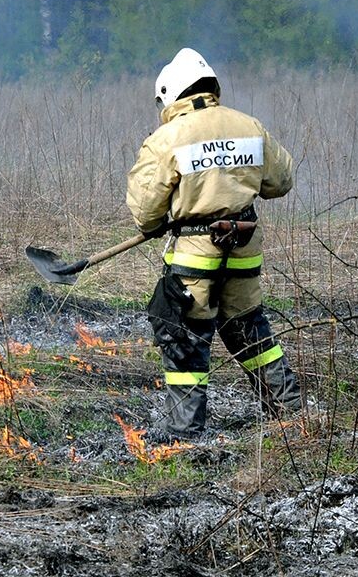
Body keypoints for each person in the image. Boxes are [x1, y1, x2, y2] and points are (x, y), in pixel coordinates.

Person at [126, 48, 302, 439]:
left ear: (172, 95)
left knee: (184, 338)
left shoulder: (167, 138)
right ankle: (293, 419)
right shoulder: (249, 125)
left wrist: (171, 211)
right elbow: (281, 181)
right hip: (244, 251)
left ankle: (186, 437)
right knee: (251, 333)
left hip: (196, 257)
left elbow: (145, 211)